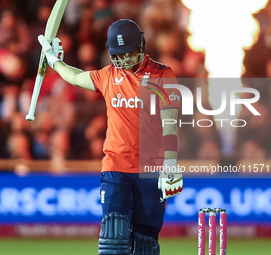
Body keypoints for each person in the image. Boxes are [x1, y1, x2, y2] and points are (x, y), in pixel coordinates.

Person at [38, 19, 183, 255]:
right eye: (120, 57)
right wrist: (54, 60)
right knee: (113, 236)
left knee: (145, 243)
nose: (125, 62)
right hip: (116, 167)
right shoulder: (108, 76)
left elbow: (170, 125)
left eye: (130, 54)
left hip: (151, 170)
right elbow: (76, 77)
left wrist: (170, 164)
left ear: (142, 44)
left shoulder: (163, 76)